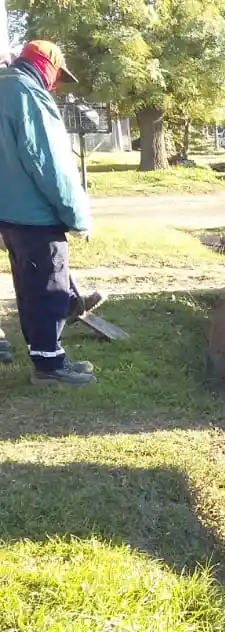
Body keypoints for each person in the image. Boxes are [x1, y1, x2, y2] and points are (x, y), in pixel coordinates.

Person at [0, 40, 99, 386]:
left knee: (30, 290)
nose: (56, 84)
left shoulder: (3, 87)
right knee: (48, 290)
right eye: (57, 75)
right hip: (36, 216)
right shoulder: (29, 95)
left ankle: (49, 358)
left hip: (9, 216)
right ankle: (50, 368)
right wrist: (78, 216)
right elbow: (49, 164)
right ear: (47, 66)